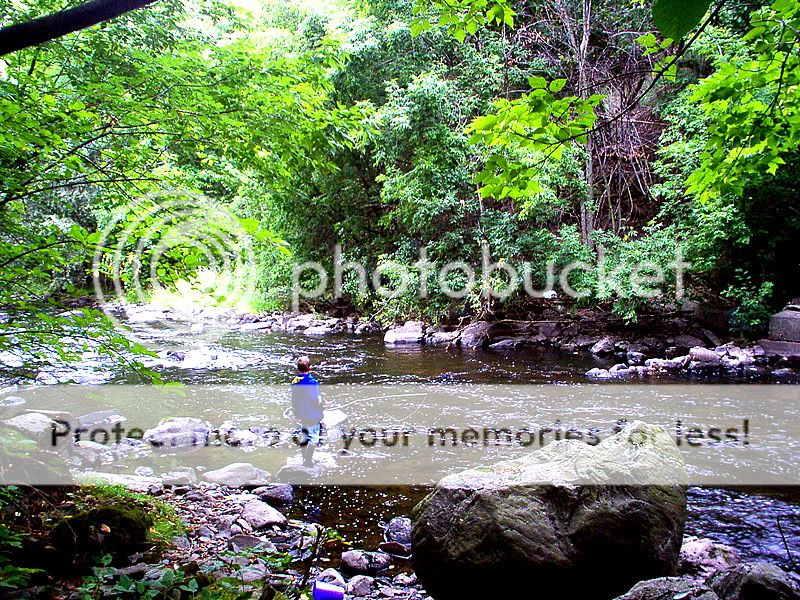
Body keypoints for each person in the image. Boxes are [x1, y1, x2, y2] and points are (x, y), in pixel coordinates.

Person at [291, 356, 323, 467]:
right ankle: (308, 461)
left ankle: (304, 458)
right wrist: (321, 401)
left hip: (301, 414)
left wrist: (296, 412)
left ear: (297, 369)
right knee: (313, 438)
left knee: (304, 435)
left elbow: (294, 400)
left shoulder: (295, 381)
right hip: (313, 414)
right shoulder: (312, 381)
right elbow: (315, 399)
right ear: (310, 368)